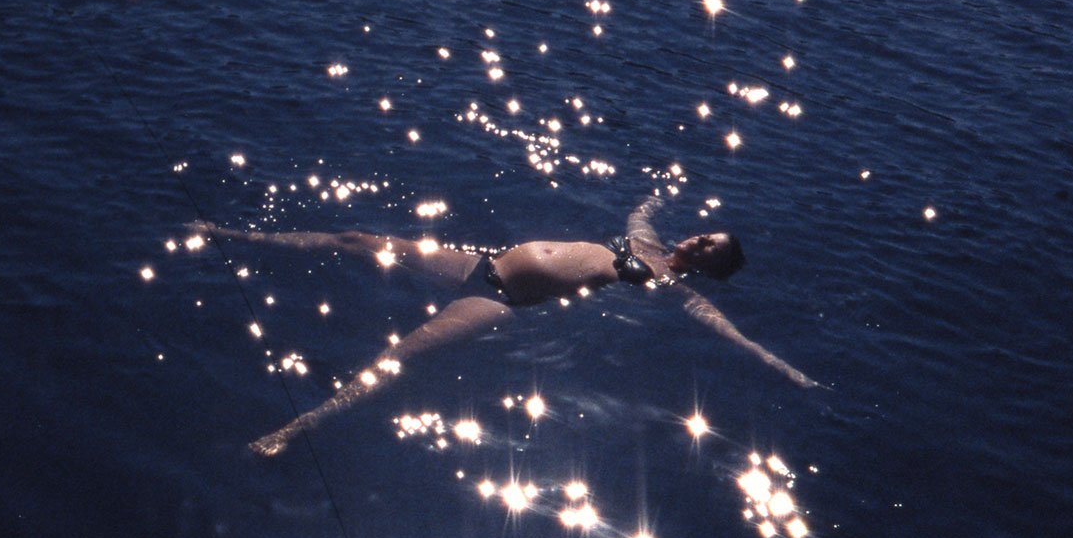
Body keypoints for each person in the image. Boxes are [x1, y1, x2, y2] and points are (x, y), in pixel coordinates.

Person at [193, 196, 817, 457]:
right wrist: (657, 193)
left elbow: (725, 332)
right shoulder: (646, 243)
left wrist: (778, 365)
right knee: (356, 238)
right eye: (706, 233)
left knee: (398, 359)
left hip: (499, 301)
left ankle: (298, 426)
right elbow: (638, 210)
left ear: (712, 268)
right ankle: (232, 234)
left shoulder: (676, 287)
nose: (701, 240)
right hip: (479, 262)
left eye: (711, 248)